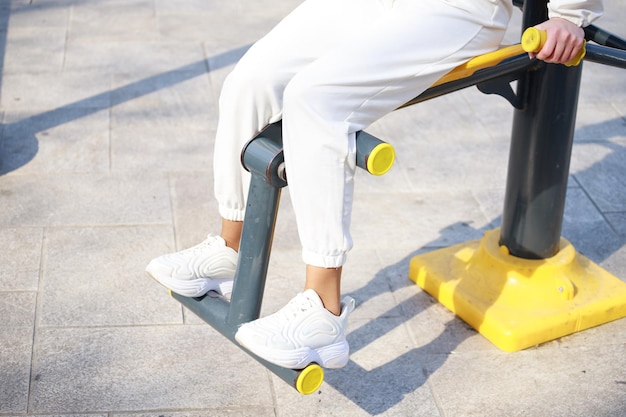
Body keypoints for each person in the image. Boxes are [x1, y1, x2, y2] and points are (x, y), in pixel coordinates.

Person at [146, 0, 603, 370]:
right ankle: (230, 246)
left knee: (316, 100)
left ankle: (323, 312)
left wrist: (569, 14)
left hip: (457, 8)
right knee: (249, 80)